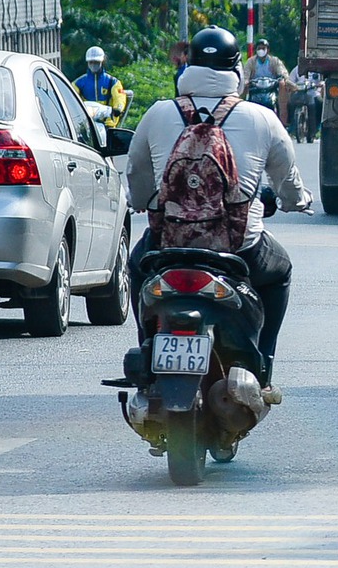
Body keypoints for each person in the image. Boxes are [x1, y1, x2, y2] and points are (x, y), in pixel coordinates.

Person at [127, 26, 310, 376]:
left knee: (137, 268)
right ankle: (263, 364)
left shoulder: (158, 113)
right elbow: (288, 181)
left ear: (188, 67)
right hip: (238, 248)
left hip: (168, 244)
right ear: (237, 72)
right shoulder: (261, 118)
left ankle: (146, 345)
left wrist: (144, 202)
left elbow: (136, 176)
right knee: (280, 272)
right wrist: (296, 201)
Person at [73, 46, 131, 122]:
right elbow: (70, 96)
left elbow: (120, 97)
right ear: (87, 63)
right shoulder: (79, 82)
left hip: (108, 122)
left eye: (96, 62)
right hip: (87, 122)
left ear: (102, 62)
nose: (93, 65)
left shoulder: (112, 82)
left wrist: (118, 109)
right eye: (91, 62)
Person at [241, 36, 293, 120]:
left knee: (282, 84)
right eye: (259, 48)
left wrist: (282, 77)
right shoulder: (251, 61)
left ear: (268, 50)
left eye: (263, 48)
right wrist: (246, 81)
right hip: (255, 87)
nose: (261, 50)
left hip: (271, 87)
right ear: (256, 50)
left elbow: (282, 72)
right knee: (243, 86)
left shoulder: (274, 61)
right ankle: (241, 112)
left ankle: (283, 119)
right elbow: (246, 74)